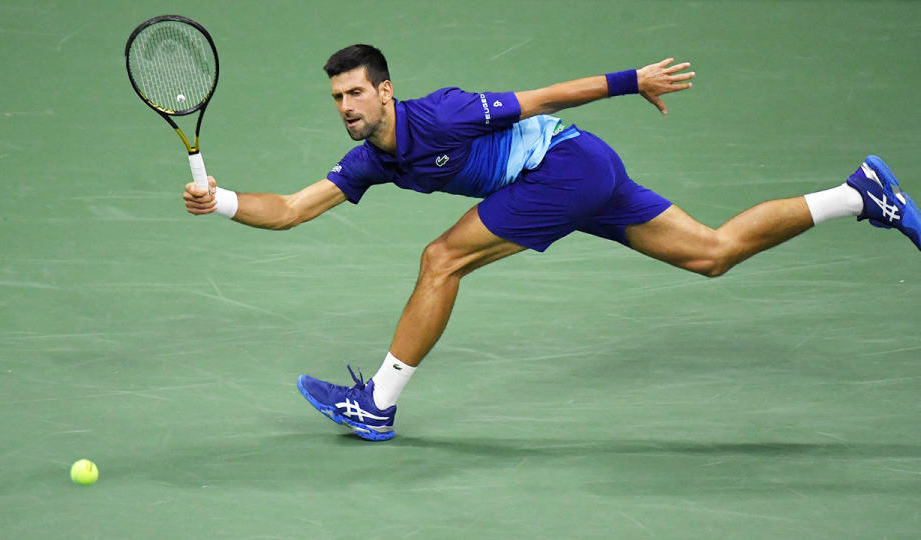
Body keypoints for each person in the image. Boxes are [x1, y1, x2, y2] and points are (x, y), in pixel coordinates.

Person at [183, 44, 920, 441]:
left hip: (564, 165)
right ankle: (859, 194)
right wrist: (219, 203)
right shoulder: (372, 158)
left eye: (355, 93)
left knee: (442, 259)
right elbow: (289, 210)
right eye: (336, 97)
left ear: (385, 90)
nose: (345, 107)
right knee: (712, 253)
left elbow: (541, 98)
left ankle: (377, 404)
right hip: (577, 173)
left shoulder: (440, 115)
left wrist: (634, 79)